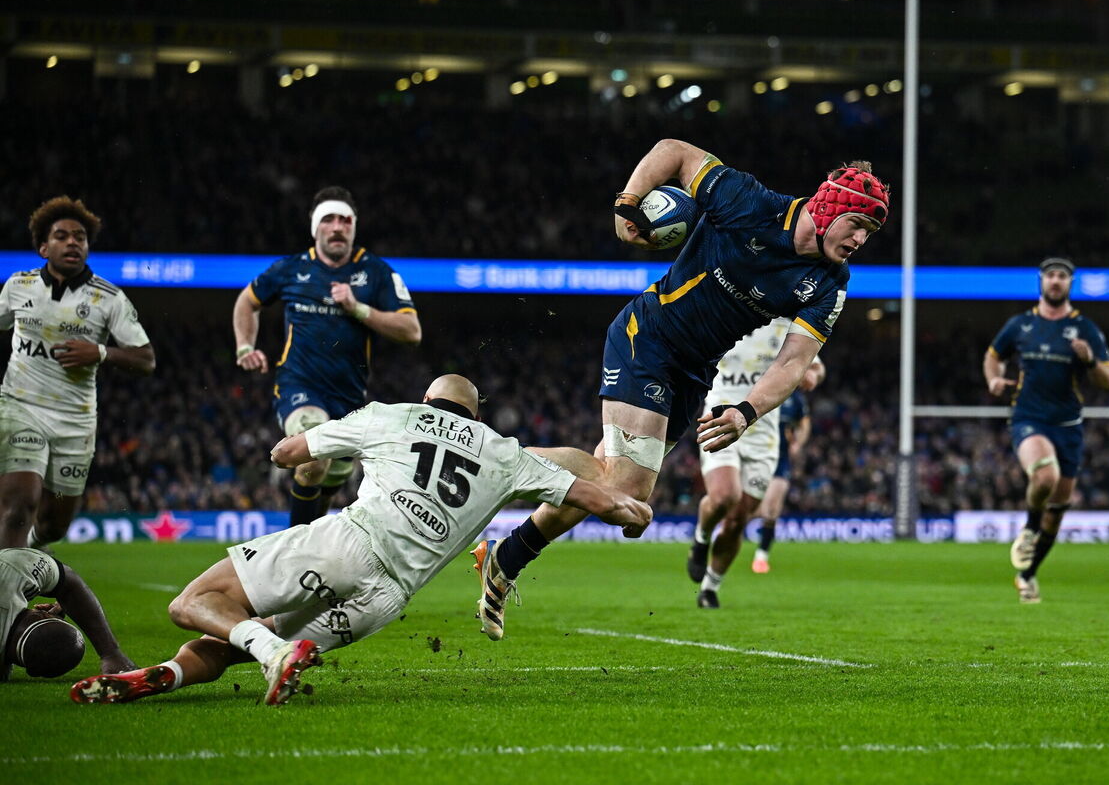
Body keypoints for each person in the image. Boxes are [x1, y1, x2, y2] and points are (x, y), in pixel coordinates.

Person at [472, 139, 889, 638]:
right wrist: (628, 202)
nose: (861, 240)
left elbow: (794, 360)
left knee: (607, 482)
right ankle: (480, 457)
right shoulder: (750, 202)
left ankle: (504, 558)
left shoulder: (830, 282)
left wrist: (745, 411)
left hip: (695, 373)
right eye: (859, 225)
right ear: (829, 209)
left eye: (871, 232)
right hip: (650, 338)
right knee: (625, 491)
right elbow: (673, 150)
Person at [70, 375, 652, 706]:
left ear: (427, 402)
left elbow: (287, 454)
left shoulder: (390, 417)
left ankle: (272, 652)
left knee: (193, 605)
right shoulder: (504, 454)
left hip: (349, 542)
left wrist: (307, 441)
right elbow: (599, 497)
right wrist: (633, 511)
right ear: (477, 415)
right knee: (239, 641)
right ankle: (164, 678)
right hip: (386, 600)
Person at [232, 186, 422, 528]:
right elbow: (247, 301)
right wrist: (245, 346)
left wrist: (358, 308)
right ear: (316, 227)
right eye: (329, 220)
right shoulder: (290, 269)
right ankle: (294, 550)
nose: (337, 227)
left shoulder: (376, 272)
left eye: (345, 220)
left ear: (353, 227)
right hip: (298, 385)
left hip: (349, 397)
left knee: (331, 479)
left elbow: (412, 331)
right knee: (313, 456)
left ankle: (308, 541)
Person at [0, 197, 155, 550]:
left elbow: (146, 360)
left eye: (80, 237)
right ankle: (8, 600)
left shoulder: (109, 299)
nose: (73, 242)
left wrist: (99, 352)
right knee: (18, 505)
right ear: (43, 247)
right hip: (20, 407)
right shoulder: (18, 286)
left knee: (53, 525)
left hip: (75, 421)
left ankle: (25, 557)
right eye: (61, 236)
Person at [983, 257, 1109, 603]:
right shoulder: (1021, 324)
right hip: (1029, 417)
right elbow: (992, 356)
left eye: (1062, 276)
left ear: (1070, 283)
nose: (1056, 281)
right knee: (1045, 477)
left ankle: (1027, 576)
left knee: (1057, 514)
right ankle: (1029, 527)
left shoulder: (1084, 329)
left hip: (1069, 426)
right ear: (1041, 281)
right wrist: (994, 379)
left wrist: (1089, 360)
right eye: (1051, 276)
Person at [685, 320, 824, 607]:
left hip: (763, 435)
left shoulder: (787, 326)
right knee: (725, 495)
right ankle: (701, 539)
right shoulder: (723, 314)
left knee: (739, 519)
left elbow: (816, 366)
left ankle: (710, 587)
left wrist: (812, 375)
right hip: (721, 419)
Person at [2, 546, 136, 682]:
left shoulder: (12, 571)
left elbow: (68, 584)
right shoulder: (13, 571)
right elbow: (69, 584)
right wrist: (111, 653)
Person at [750, 358, 823, 575]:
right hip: (757, 456)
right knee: (749, 508)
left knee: (772, 509)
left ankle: (761, 557)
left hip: (780, 458)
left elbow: (804, 423)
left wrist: (798, 443)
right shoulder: (759, 391)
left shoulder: (796, 399)